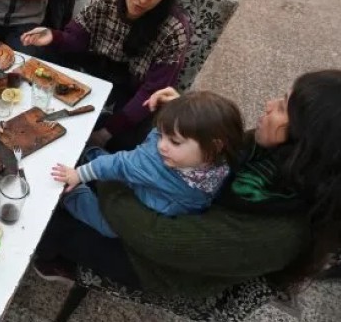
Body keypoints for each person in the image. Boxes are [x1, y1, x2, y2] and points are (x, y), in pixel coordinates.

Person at [35, 70, 341, 301]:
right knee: (136, 133)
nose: (269, 105)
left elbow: (153, 235)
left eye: (283, 108)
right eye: (281, 97)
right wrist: (187, 115)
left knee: (50, 214)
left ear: (306, 145)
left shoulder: (279, 234)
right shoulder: (271, 155)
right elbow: (216, 150)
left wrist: (117, 172)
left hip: (157, 262)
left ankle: (53, 257)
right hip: (171, 207)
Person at [21, 0, 191, 152]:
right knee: (38, 53)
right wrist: (54, 36)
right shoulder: (105, 1)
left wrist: (108, 131)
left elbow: (151, 92)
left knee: (115, 141)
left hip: (130, 96)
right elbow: (76, 41)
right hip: (92, 74)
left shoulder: (174, 30)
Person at [52, 91, 243, 238]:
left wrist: (179, 107)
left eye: (174, 141)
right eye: (162, 135)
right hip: (140, 184)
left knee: (121, 163)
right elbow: (118, 164)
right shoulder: (155, 162)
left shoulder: (220, 158)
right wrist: (78, 175)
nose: (162, 145)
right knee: (109, 227)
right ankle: (72, 196)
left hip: (148, 190)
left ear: (216, 146)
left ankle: (89, 153)